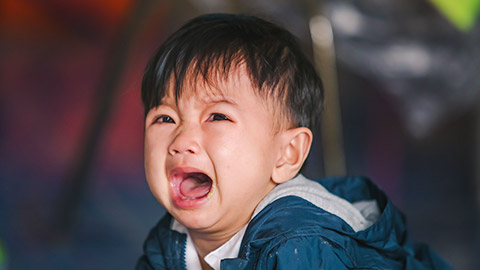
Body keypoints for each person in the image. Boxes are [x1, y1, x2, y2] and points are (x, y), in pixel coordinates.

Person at [136, 13, 451, 270]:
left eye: (217, 117)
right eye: (164, 118)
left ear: (286, 154)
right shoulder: (171, 240)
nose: (182, 140)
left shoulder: (302, 244)